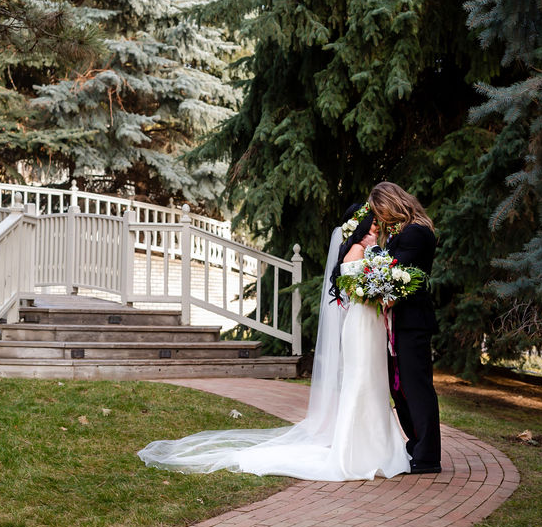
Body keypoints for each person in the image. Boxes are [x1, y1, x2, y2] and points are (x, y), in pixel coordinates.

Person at [136, 202, 411, 481]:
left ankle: (382, 447)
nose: (378, 228)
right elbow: (356, 292)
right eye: (374, 224)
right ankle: (355, 452)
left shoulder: (374, 254)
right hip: (361, 326)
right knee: (361, 381)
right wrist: (378, 292)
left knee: (375, 382)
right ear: (362, 228)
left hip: (372, 326)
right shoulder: (355, 252)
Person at [368, 181, 442, 474]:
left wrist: (373, 254)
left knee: (416, 388)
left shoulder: (416, 233)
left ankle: (427, 456)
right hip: (399, 324)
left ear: (393, 204)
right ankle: (416, 446)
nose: (381, 219)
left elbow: (395, 273)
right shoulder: (406, 231)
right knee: (400, 390)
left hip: (413, 324)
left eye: (381, 211)